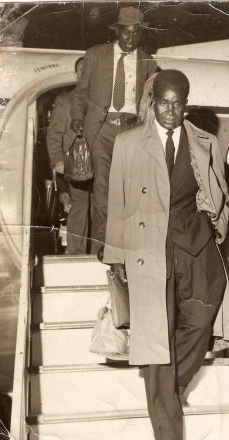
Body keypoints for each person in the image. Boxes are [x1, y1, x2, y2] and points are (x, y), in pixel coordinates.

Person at [103, 70, 229, 440]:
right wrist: (116, 258)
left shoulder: (204, 141)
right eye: (164, 102)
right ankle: (168, 438)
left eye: (178, 103)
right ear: (152, 102)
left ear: (186, 104)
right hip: (149, 247)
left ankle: (165, 381)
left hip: (193, 241)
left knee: (203, 313)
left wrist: (219, 222)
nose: (171, 110)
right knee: (156, 336)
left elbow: (220, 191)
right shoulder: (128, 143)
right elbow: (118, 202)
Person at [70, 6, 158, 257]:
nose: (130, 39)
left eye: (136, 34)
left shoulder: (149, 62)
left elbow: (150, 102)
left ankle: (126, 249)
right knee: (102, 191)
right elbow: (82, 92)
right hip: (102, 128)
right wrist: (77, 118)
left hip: (132, 130)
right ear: (117, 31)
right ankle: (103, 249)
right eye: (126, 33)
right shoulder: (95, 55)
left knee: (129, 192)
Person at [47, 57, 90, 254]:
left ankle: (100, 257)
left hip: (101, 165)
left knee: (101, 211)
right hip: (75, 167)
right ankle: (77, 256)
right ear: (76, 74)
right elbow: (54, 134)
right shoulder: (64, 100)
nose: (84, 74)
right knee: (79, 210)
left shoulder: (102, 102)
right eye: (81, 70)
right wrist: (58, 161)